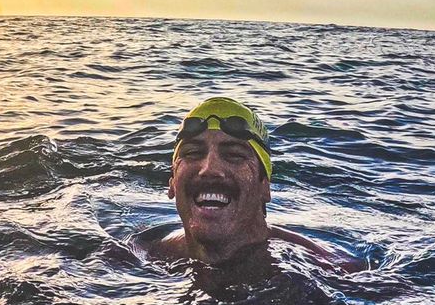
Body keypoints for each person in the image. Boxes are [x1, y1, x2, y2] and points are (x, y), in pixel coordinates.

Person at [139, 96, 357, 271]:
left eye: (234, 155)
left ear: (265, 186)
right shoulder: (146, 254)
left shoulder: (330, 269)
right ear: (172, 183)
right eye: (193, 153)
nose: (210, 169)